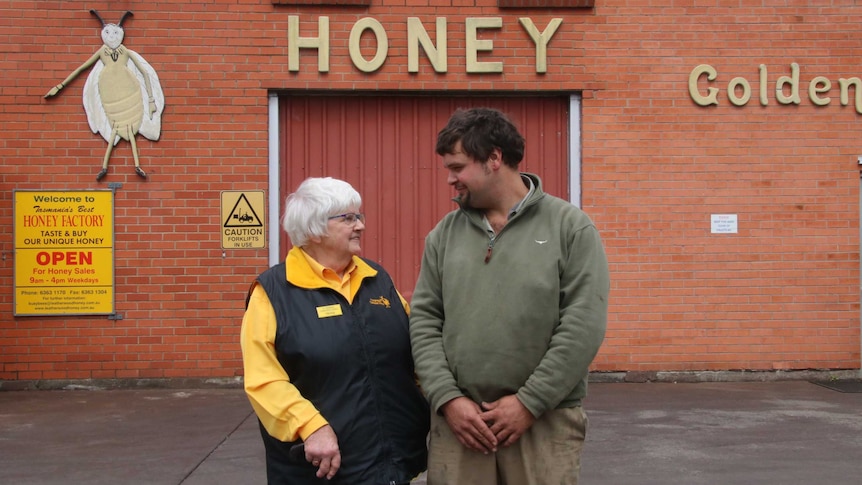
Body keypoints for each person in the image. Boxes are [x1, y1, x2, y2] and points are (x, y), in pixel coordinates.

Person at [409, 108, 610, 485]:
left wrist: (530, 402)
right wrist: (448, 399)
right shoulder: (443, 236)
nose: (450, 179)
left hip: (545, 422)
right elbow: (423, 322)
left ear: (494, 158)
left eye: (457, 167)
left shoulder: (570, 228)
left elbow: (583, 325)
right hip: (460, 427)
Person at [241, 177, 429, 485]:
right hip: (323, 468)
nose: (360, 226)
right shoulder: (274, 292)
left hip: (394, 461)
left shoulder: (376, 278)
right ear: (314, 229)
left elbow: (413, 351)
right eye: (348, 218)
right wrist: (311, 426)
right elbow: (264, 380)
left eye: (360, 216)